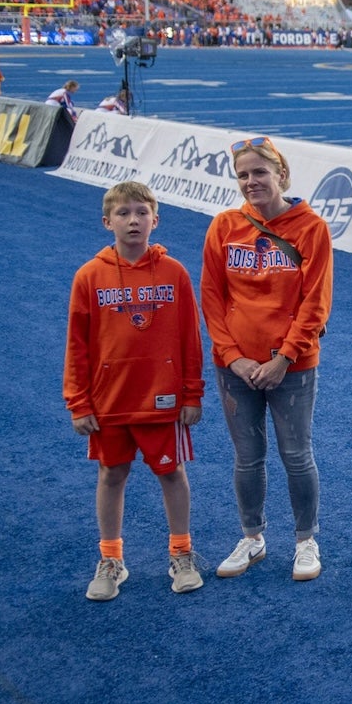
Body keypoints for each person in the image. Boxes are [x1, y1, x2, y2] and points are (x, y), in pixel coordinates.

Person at [63, 181, 205, 601]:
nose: (133, 221)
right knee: (111, 474)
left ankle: (181, 552)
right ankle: (111, 559)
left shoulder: (174, 272)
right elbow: (77, 343)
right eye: (123, 214)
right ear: (107, 222)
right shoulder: (89, 276)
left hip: (162, 400)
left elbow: (189, 339)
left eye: (141, 212)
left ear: (155, 220)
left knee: (172, 471)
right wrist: (78, 401)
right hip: (109, 402)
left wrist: (192, 394)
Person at [201, 136, 333, 582]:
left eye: (259, 172)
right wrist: (233, 357)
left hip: (292, 367)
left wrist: (284, 358)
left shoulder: (311, 228)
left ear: (281, 173)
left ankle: (305, 541)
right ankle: (252, 537)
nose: (251, 181)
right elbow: (212, 300)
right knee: (247, 457)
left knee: (297, 454)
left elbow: (316, 303)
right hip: (234, 367)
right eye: (243, 174)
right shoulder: (223, 226)